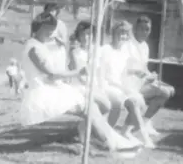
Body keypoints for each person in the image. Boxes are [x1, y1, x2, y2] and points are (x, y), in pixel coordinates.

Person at [16, 12, 139, 153]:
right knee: (89, 107)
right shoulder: (34, 48)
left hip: (52, 87)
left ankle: (108, 141)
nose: (51, 33)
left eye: (52, 29)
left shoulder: (40, 45)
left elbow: (53, 72)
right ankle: (111, 143)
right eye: (48, 29)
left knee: (91, 106)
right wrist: (78, 72)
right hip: (43, 92)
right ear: (38, 27)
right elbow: (52, 74)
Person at [99, 20, 154, 148]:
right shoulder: (106, 49)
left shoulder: (123, 52)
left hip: (120, 85)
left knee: (140, 101)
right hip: (107, 85)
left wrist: (135, 72)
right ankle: (145, 138)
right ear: (113, 33)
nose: (123, 36)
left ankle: (124, 132)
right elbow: (104, 74)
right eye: (120, 33)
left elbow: (122, 72)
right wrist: (122, 88)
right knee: (128, 102)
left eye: (125, 34)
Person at [121, 15, 175, 137]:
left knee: (171, 90)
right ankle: (143, 123)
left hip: (143, 81)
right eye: (142, 29)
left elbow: (144, 67)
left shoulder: (145, 46)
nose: (145, 32)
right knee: (165, 92)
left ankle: (145, 122)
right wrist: (138, 73)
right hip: (129, 84)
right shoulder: (127, 45)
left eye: (147, 29)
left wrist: (151, 75)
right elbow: (122, 68)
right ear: (135, 29)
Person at [68, 20, 111, 117]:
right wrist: (89, 84)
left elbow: (101, 71)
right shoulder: (74, 52)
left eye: (88, 34)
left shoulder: (97, 50)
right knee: (106, 105)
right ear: (78, 36)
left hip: (96, 84)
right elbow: (76, 73)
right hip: (80, 85)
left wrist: (100, 87)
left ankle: (85, 128)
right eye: (82, 35)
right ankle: (86, 127)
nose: (85, 37)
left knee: (102, 106)